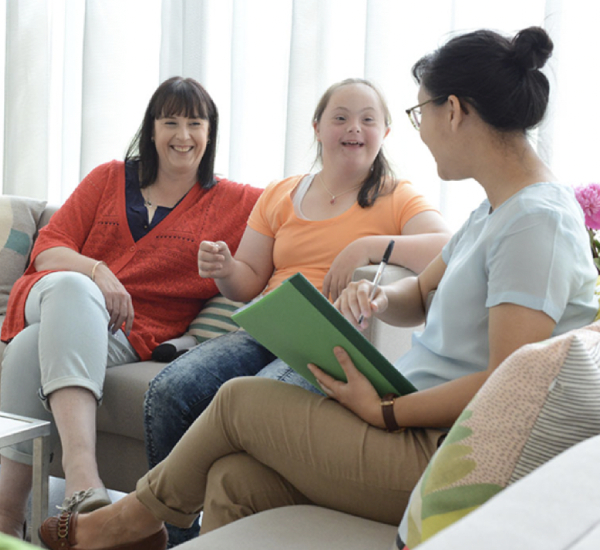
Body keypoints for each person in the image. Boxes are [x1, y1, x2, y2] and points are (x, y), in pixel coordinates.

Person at [40, 26, 598, 550]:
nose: (421, 131)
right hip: (412, 424)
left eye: (418, 112)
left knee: (238, 401)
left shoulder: (536, 223)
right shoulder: (494, 211)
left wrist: (387, 411)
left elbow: (506, 386)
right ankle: (142, 527)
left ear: (453, 111)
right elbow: (421, 296)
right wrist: (380, 296)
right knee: (234, 478)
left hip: (439, 448)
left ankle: (126, 523)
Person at [142, 77, 451, 544]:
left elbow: (448, 247)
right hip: (266, 327)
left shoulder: (397, 195)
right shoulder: (281, 193)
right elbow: (247, 282)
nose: (354, 127)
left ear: (385, 132)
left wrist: (368, 245)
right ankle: (174, 538)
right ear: (317, 128)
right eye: (341, 118)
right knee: (169, 392)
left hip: (326, 339)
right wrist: (225, 269)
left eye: (368, 119)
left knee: (259, 405)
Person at [0, 76, 262, 538]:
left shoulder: (235, 202)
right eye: (170, 122)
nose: (183, 135)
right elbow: (48, 249)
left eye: (195, 123)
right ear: (151, 129)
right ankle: (83, 478)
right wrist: (97, 271)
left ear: (211, 132)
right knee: (75, 289)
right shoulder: (108, 178)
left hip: (127, 332)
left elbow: (296, 214)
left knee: (29, 348)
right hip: (54, 294)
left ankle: (7, 518)